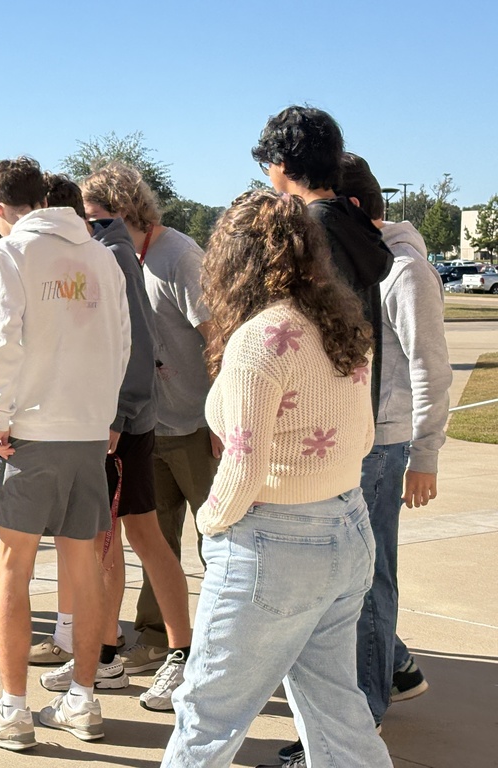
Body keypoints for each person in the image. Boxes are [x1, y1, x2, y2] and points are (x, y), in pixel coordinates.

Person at [160, 189, 391, 768]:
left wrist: (212, 526)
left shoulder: (259, 340)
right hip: (345, 528)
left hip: (272, 543)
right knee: (335, 706)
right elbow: (362, 439)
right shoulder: (339, 324)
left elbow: (241, 465)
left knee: (207, 709)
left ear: (233, 261)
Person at [0, 157, 130, 751]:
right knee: (82, 565)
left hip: (29, 428)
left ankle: (12, 709)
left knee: (15, 564)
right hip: (87, 428)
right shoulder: (102, 257)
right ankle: (82, 699)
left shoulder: (7, 254)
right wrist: (104, 415)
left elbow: (4, 337)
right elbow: (121, 342)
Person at [35, 174, 194, 713]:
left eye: (88, 212)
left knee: (143, 536)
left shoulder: (112, 253)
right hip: (101, 418)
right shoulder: (102, 249)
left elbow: (136, 344)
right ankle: (104, 652)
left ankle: (182, 651)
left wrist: (122, 415)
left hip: (122, 424)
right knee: (105, 538)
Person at [79, 162, 220, 682]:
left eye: (97, 220)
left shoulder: (179, 256)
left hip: (199, 427)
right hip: (148, 426)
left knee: (220, 543)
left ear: (128, 210)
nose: (91, 231)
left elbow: (218, 337)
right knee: (153, 538)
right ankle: (158, 640)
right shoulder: (113, 259)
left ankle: (219, 649)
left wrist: (225, 422)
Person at [335, 154, 449, 732]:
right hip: (352, 441)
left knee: (368, 575)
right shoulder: (361, 263)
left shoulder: (404, 271)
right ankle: (396, 666)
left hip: (383, 446)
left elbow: (432, 367)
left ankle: (365, 714)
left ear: (350, 208)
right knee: (352, 575)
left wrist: (423, 457)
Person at [252, 106, 393, 416]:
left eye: (267, 164)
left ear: (283, 164)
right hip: (352, 404)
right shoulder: (350, 219)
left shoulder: (313, 227)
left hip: (318, 410)